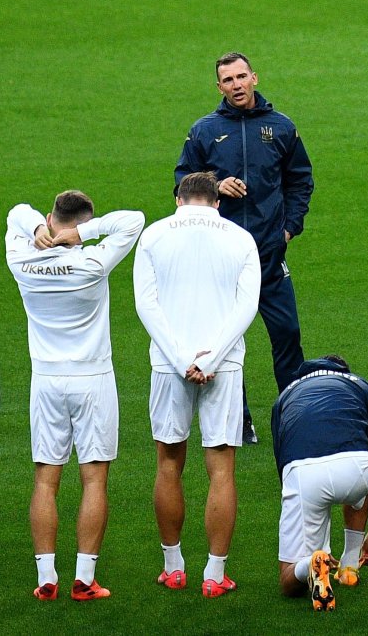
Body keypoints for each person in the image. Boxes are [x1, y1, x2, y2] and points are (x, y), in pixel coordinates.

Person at [5, 192, 144, 601]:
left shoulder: (22, 260)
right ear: (84, 223)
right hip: (93, 379)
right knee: (93, 478)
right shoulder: (93, 262)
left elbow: (15, 212)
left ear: (50, 218)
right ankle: (84, 579)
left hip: (45, 382)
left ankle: (46, 578)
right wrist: (79, 235)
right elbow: (132, 218)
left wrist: (37, 231)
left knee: (46, 480)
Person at [175, 51, 315, 443]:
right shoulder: (204, 131)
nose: (236, 85)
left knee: (287, 334)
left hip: (270, 255)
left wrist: (289, 229)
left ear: (254, 77)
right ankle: (241, 419)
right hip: (221, 260)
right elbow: (182, 184)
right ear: (218, 87)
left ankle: (295, 413)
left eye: (241, 77)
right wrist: (214, 185)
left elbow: (300, 180)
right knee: (226, 342)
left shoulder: (281, 127)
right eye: (228, 80)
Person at [133, 171, 261, 598]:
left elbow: (145, 304)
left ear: (178, 200)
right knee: (221, 468)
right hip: (223, 367)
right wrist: (213, 357)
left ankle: (173, 568)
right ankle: (214, 573)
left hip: (170, 366)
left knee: (169, 464)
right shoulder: (241, 239)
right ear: (216, 202)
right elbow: (248, 305)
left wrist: (180, 358)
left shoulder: (153, 236)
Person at [271, 355, 368, 611]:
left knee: (287, 578)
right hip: (356, 469)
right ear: (342, 370)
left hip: (303, 474)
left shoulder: (285, 396)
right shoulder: (362, 386)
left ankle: (312, 563)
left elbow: (280, 455)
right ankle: (349, 567)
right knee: (366, 464)